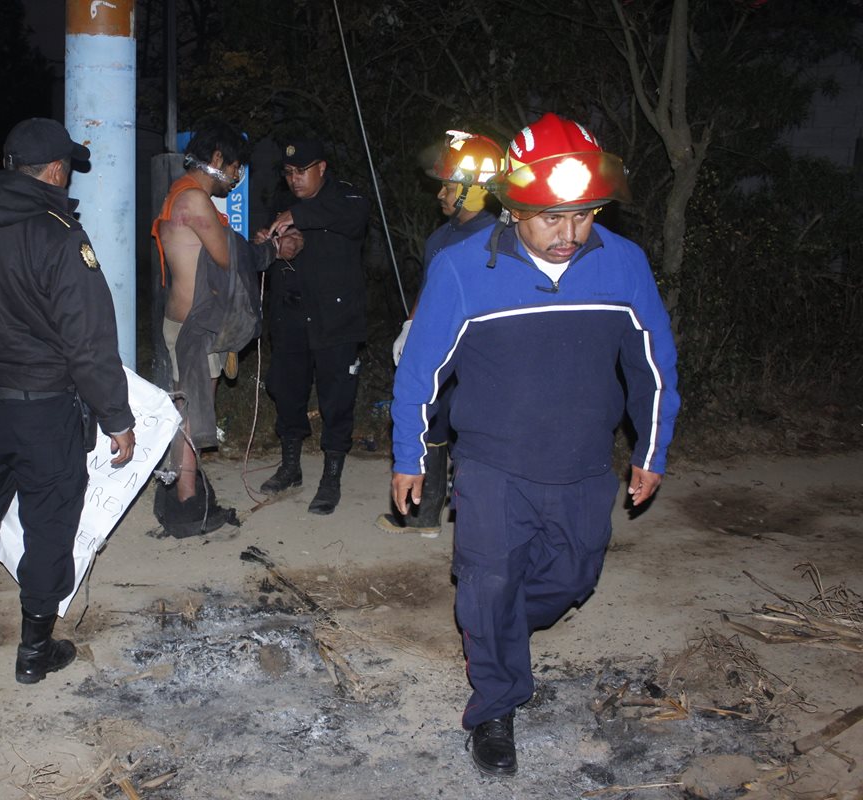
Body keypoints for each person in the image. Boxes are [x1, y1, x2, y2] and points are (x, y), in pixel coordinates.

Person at [389, 113, 680, 777]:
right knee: (487, 585)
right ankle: (495, 704)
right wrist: (411, 455)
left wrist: (652, 451)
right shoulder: (464, 269)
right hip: (492, 467)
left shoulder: (624, 266)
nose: (568, 234)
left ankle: (493, 631)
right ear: (515, 206)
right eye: (550, 218)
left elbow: (654, 368)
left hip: (581, 465)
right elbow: (419, 372)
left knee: (574, 578)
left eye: (581, 216)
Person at [0, 117, 135, 685]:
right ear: (53, 171)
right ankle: (33, 652)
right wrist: (117, 418)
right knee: (49, 526)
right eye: (66, 172)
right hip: (43, 408)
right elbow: (88, 342)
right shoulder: (58, 235)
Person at [150, 122, 302, 537]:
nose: (235, 180)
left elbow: (222, 246)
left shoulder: (180, 193)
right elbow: (227, 259)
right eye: (234, 169)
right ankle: (187, 501)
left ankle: (181, 490)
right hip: (196, 327)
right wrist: (275, 249)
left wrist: (250, 245)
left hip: (185, 322)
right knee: (193, 411)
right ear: (217, 160)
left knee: (185, 407)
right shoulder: (196, 199)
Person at [377, 129, 503, 534]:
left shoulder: (502, 238)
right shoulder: (440, 237)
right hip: (443, 352)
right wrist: (411, 327)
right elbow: (431, 290)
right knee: (430, 420)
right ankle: (425, 513)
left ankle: (479, 520)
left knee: (475, 429)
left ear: (475, 189)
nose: (440, 195)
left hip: (482, 358)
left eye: (448, 187)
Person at [259, 138, 370, 515]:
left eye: (301, 171)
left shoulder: (347, 198)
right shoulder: (279, 202)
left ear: (321, 167)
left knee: (337, 398)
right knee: (287, 392)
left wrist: (298, 218)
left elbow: (350, 220)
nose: (294, 180)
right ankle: (290, 466)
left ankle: (332, 475)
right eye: (288, 173)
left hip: (335, 318)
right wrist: (271, 242)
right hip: (290, 316)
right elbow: (271, 235)